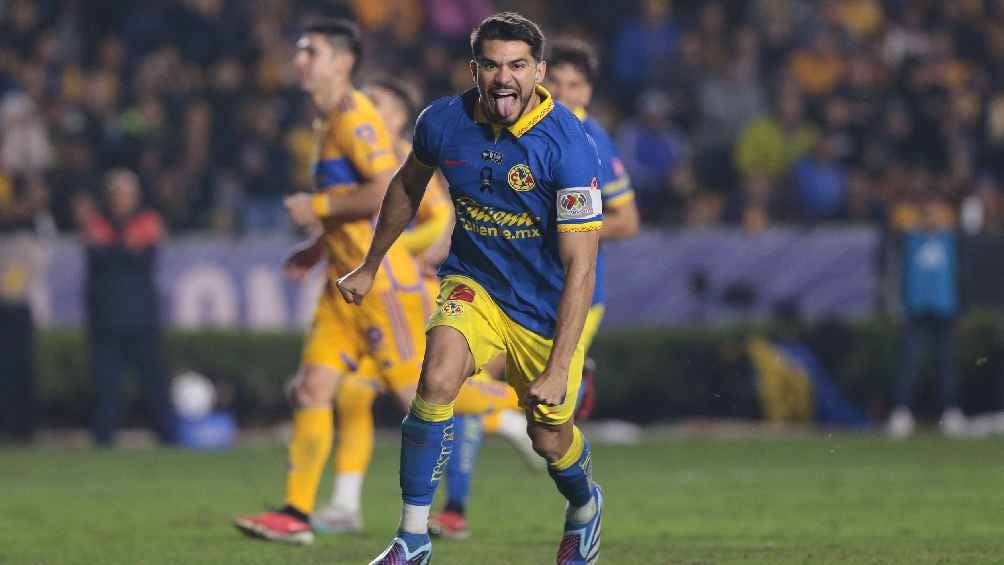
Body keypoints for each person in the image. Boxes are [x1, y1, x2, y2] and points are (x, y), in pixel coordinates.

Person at [234, 19, 516, 545]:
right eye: (299, 51)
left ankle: (516, 403)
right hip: (340, 289)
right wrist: (319, 244)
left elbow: (388, 187)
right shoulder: (325, 121)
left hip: (379, 287)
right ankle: (297, 512)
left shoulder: (355, 119)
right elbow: (354, 207)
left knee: (417, 394)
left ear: (342, 61)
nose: (299, 60)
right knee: (316, 388)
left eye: (309, 51)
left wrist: (316, 207)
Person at [337, 12, 605, 564]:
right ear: (474, 68)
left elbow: (582, 267)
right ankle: (412, 538)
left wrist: (557, 368)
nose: (503, 77)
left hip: (545, 309)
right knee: (434, 378)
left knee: (549, 438)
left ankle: (583, 506)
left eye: (517, 65)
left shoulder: (570, 146)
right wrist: (370, 264)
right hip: (474, 285)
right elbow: (406, 186)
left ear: (540, 71)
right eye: (491, 64)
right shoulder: (443, 121)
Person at [427, 37, 641, 540]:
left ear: (587, 90)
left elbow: (627, 220)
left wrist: (562, 226)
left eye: (576, 84)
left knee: (541, 422)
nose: (564, 91)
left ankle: (566, 450)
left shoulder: (586, 139)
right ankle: (454, 506)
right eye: (558, 82)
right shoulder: (499, 130)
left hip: (568, 296)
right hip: (498, 289)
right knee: (455, 379)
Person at [309, 76, 537, 536]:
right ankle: (345, 504)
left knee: (417, 392)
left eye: (379, 103)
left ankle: (510, 410)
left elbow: (442, 217)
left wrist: (396, 251)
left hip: (404, 294)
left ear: (397, 116)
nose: (367, 109)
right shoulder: (357, 158)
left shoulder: (400, 156)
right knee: (353, 392)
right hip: (368, 294)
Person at [76, 169, 175, 447]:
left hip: (141, 316)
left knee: (154, 382)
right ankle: (103, 438)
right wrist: (126, 249)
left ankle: (168, 437)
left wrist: (114, 249)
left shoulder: (145, 221)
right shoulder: (99, 224)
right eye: (116, 194)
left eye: (126, 193)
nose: (121, 199)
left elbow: (140, 257)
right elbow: (109, 255)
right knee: (106, 385)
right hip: (105, 317)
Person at [886, 193, 965, 438]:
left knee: (946, 364)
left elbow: (961, 275)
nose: (932, 219)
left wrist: (962, 306)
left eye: (936, 214)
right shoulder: (910, 241)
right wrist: (896, 306)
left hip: (944, 308)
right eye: (927, 214)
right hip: (916, 309)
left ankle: (951, 412)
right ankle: (901, 411)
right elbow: (895, 270)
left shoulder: (950, 241)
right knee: (910, 363)